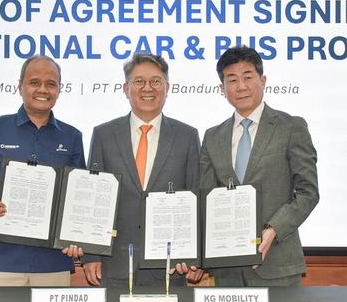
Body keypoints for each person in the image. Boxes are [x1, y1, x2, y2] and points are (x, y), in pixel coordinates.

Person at [0, 55, 86, 286]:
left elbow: (79, 197)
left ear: (59, 90)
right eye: (34, 82)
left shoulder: (71, 137)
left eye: (51, 84)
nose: (42, 89)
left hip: (52, 261)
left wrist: (78, 236)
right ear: (20, 87)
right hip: (0, 260)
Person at [199, 46, 319, 286]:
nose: (241, 86)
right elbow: (206, 198)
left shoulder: (290, 127)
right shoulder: (212, 137)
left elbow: (308, 192)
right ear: (222, 88)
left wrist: (274, 229)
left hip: (278, 266)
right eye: (232, 80)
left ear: (263, 81)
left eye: (248, 77)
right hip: (227, 271)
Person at [82, 52, 203, 288]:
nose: (148, 88)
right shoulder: (104, 135)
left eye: (156, 81)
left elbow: (195, 196)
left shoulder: (187, 136)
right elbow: (92, 200)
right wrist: (91, 255)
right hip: (115, 263)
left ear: (167, 88)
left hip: (170, 266)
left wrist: (195, 257)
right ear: (126, 88)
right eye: (139, 81)